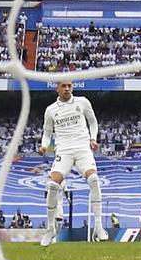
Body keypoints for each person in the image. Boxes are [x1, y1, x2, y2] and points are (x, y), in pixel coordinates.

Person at [40, 80, 104, 245]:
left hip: (83, 148)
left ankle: (98, 226)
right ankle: (50, 229)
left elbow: (93, 121)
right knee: (52, 186)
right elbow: (47, 132)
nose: (67, 89)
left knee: (94, 180)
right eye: (63, 86)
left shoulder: (82, 102)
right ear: (57, 88)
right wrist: (44, 145)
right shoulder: (50, 110)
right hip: (64, 150)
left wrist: (93, 139)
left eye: (69, 86)